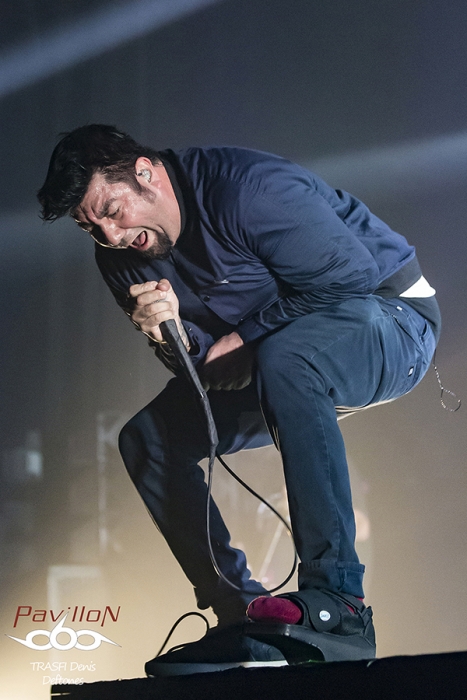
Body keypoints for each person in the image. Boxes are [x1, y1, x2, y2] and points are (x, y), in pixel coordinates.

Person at [37, 124, 440, 675]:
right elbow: (207, 372)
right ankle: (242, 616)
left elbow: (351, 277)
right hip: (282, 361)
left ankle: (340, 603)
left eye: (111, 210)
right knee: (149, 439)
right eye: (91, 227)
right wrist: (171, 340)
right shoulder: (118, 257)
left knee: (286, 358)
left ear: (145, 173)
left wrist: (248, 338)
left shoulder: (244, 189)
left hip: (392, 320)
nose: (110, 235)